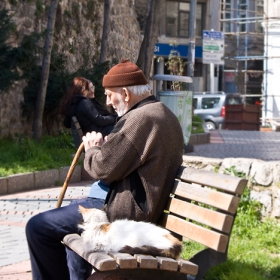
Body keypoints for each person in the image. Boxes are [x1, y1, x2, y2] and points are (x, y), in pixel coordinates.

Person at [25, 59, 184, 280]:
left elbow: (103, 168)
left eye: (110, 95)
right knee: (72, 223)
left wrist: (92, 149)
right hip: (129, 202)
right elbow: (124, 159)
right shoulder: (161, 113)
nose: (108, 102)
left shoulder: (141, 119)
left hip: (122, 211)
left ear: (126, 94)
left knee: (38, 227)